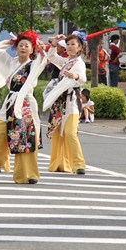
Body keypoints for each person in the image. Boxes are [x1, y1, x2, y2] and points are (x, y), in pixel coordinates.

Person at [0, 31, 47, 184]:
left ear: (32, 49)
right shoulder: (12, 62)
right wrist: (10, 42)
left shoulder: (34, 64)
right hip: (10, 102)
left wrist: (43, 48)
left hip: (25, 103)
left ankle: (28, 174)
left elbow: (45, 58)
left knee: (24, 140)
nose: (23, 48)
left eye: (27, 45)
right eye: (20, 45)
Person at [43, 32, 88, 174]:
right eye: (68, 44)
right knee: (58, 133)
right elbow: (51, 57)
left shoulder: (79, 62)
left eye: (73, 44)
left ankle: (79, 164)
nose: (69, 47)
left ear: (80, 47)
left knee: (70, 132)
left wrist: (74, 75)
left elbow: (82, 79)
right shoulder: (66, 61)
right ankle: (59, 163)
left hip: (72, 102)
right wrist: (54, 43)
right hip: (60, 102)